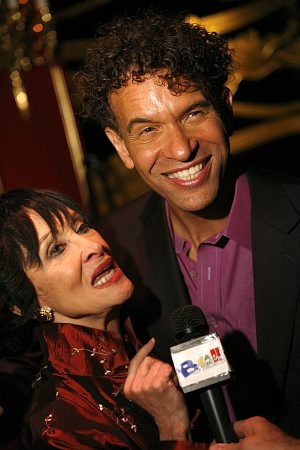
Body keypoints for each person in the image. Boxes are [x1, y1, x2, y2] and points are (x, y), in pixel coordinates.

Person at [75, 8, 300, 447]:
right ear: (120, 146)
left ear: (226, 108)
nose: (180, 148)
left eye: (194, 113)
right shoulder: (114, 253)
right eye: (147, 130)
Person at [0, 187, 207, 449]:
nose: (93, 246)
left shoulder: (145, 334)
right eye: (56, 250)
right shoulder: (61, 426)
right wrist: (172, 427)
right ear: (23, 302)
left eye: (82, 227)